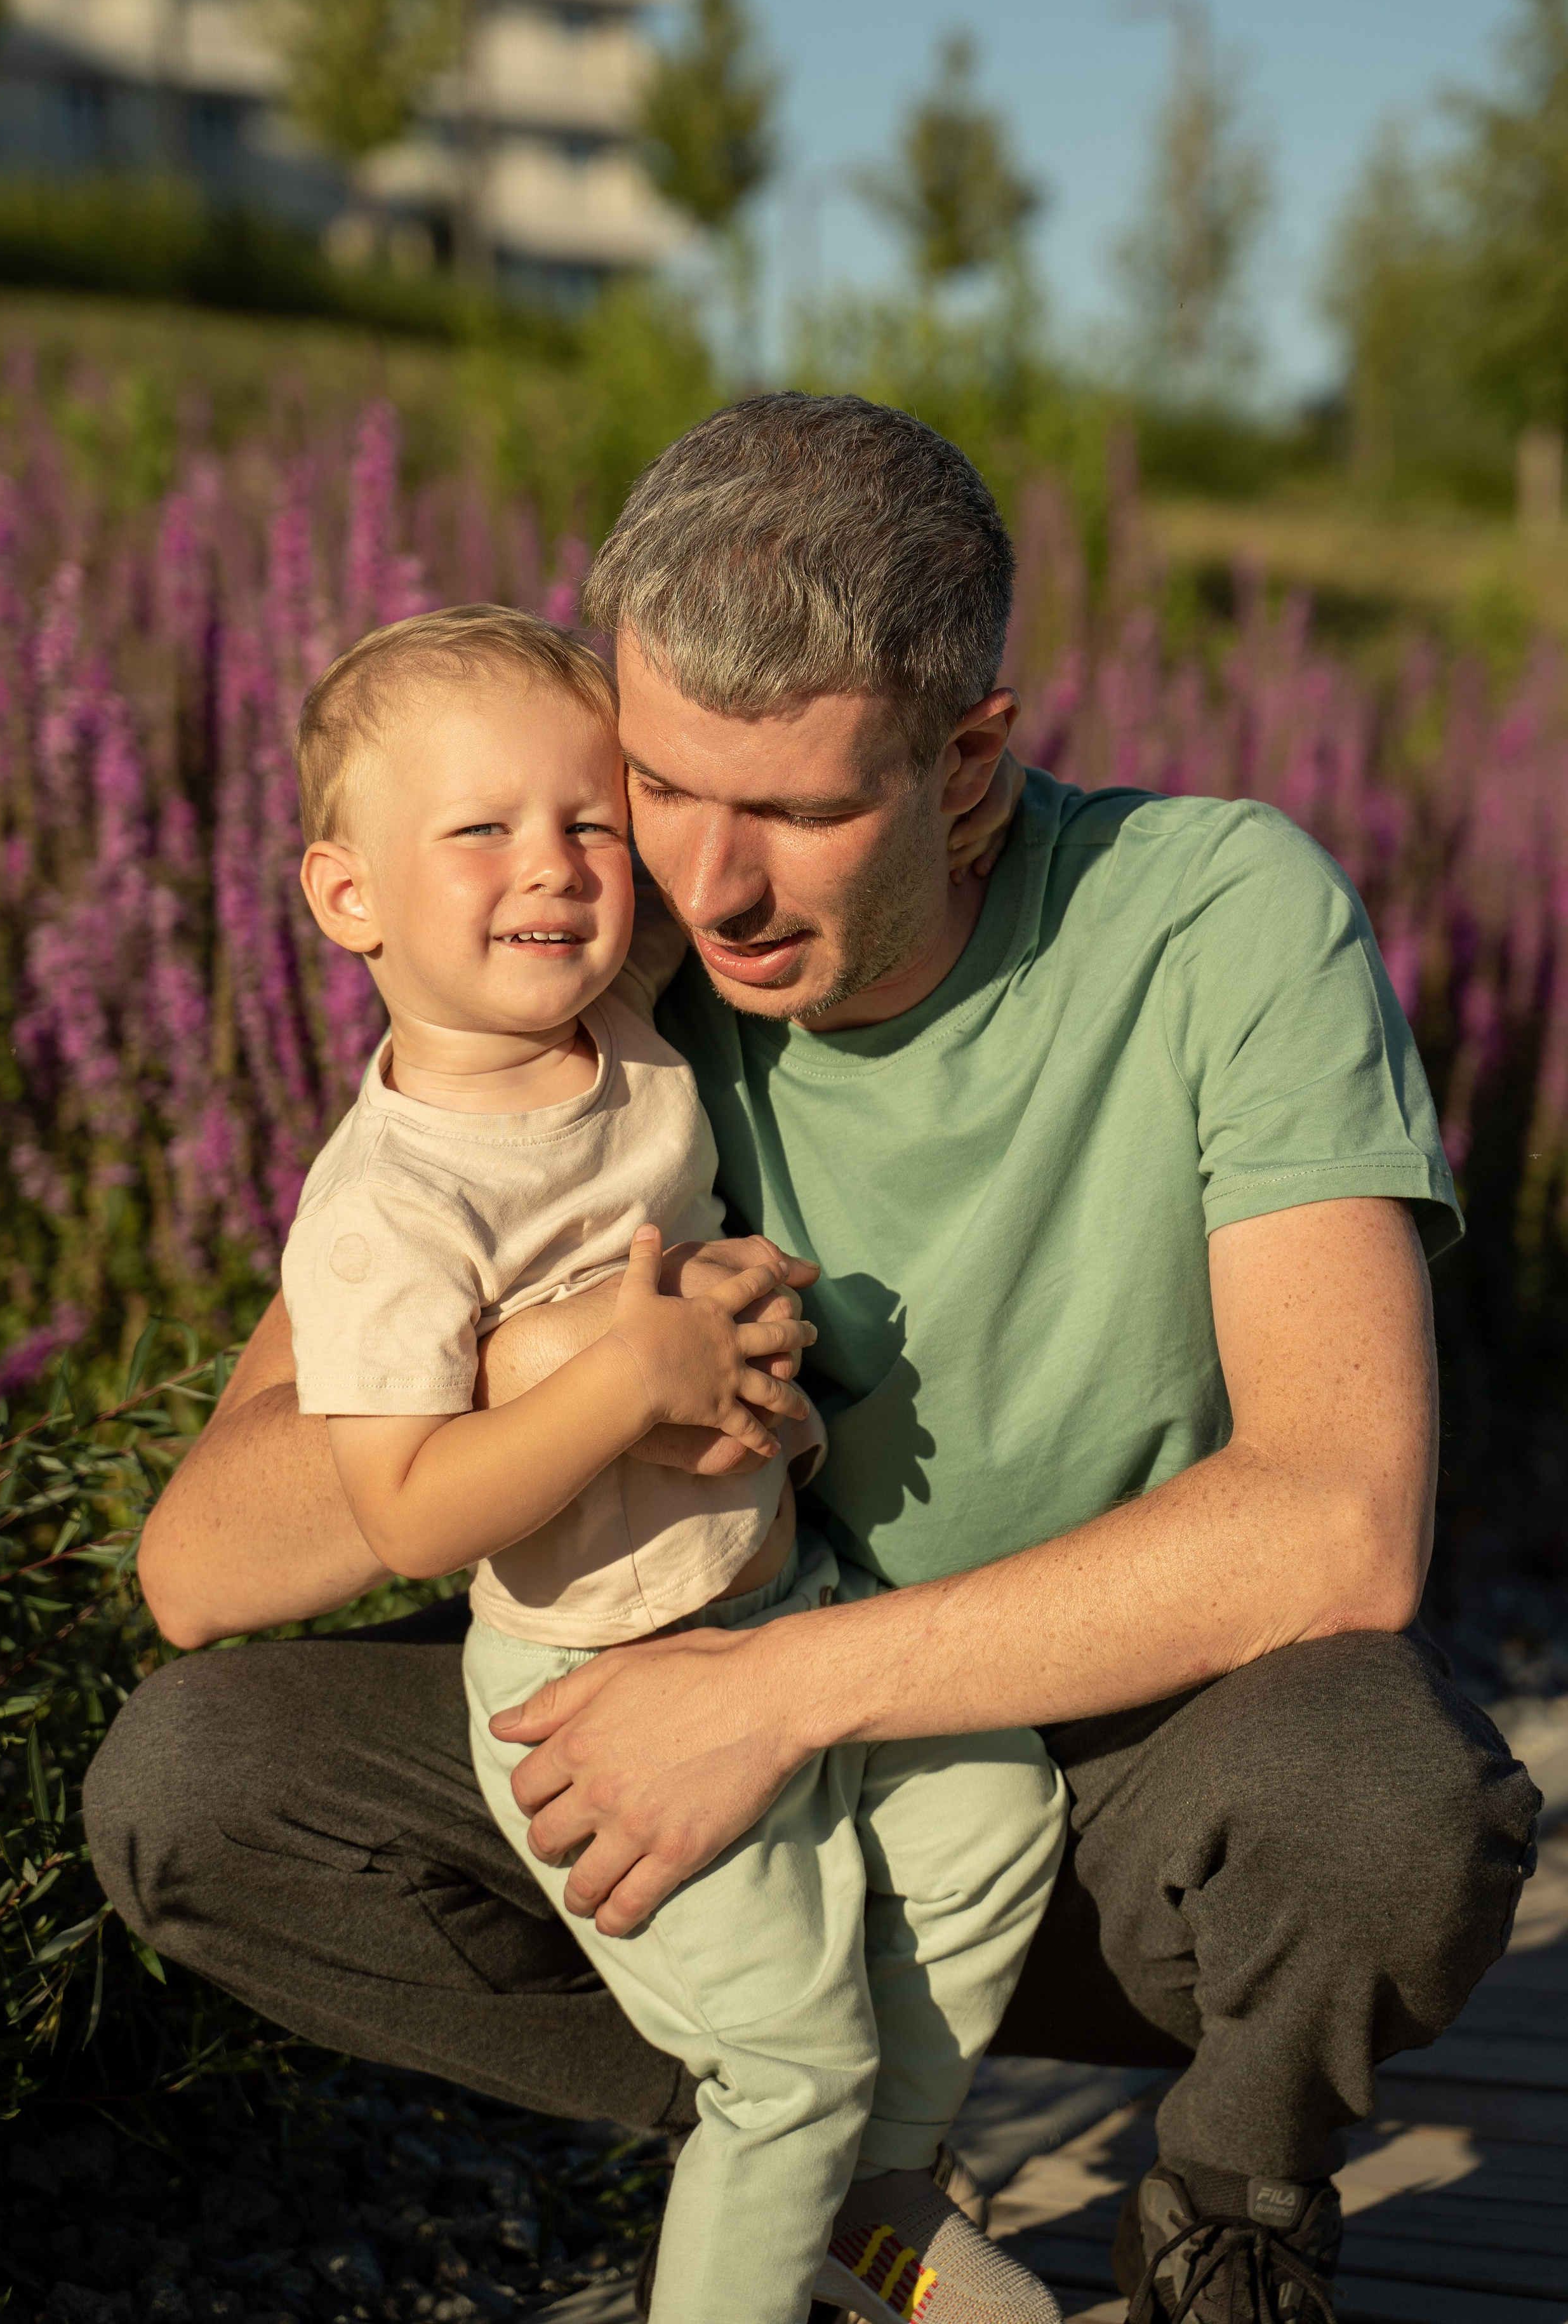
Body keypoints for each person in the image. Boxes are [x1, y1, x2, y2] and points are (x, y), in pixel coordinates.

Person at [86, 396, 1541, 2324]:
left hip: (1100, 1798)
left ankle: (1227, 2210)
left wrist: (778, 1690)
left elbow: (1341, 1527)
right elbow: (207, 1564)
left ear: (967, 762)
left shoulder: (1221, 920)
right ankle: (814, 2144)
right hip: (717, 1799)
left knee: (1388, 1807)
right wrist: (575, 1365)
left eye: (799, 813)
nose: (711, 884)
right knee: (191, 1787)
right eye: (661, 790)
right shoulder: (604, 977)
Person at [274, 600, 1067, 2324]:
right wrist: (631, 1371)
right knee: (784, 2060)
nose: (552, 867)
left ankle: (875, 2198)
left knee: (998, 1805)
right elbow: (406, 1509)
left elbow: (767, 850)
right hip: (589, 1679)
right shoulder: (385, 1212)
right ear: (351, 900)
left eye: (587, 823)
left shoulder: (614, 1015)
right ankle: (788, 2203)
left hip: (781, 1594)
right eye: (476, 833)